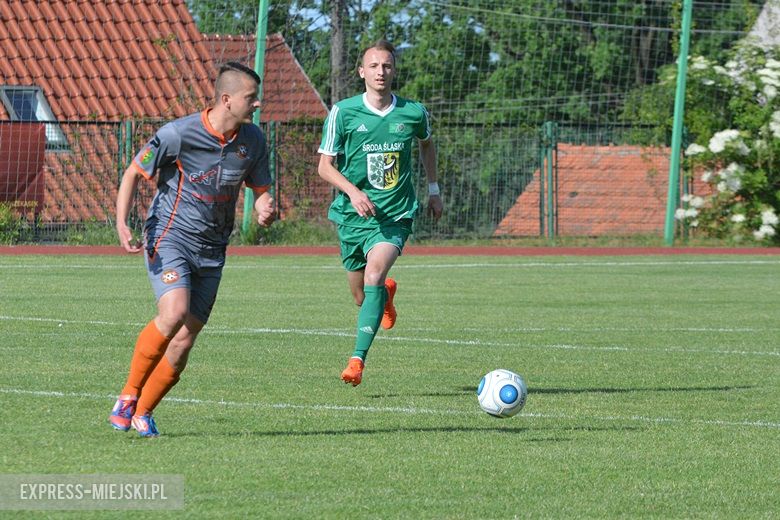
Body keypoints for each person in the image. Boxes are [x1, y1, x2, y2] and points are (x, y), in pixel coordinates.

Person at [109, 62, 275, 437]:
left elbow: (262, 190)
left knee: (186, 338)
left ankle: (144, 411)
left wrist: (265, 205)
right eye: (252, 98)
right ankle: (128, 395)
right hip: (170, 236)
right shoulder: (178, 134)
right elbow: (135, 172)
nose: (258, 104)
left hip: (214, 248)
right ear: (227, 99)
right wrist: (122, 224)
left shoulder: (254, 141)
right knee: (174, 313)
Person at [317, 40, 443, 387]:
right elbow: (324, 167)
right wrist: (354, 192)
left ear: (393, 71)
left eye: (386, 66)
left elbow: (427, 145)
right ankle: (384, 296)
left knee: (373, 276)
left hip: (394, 216)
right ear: (362, 72)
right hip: (352, 217)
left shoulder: (413, 112)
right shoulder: (343, 113)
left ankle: (357, 361)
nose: (380, 72)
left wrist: (433, 191)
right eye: (373, 66)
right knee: (361, 296)